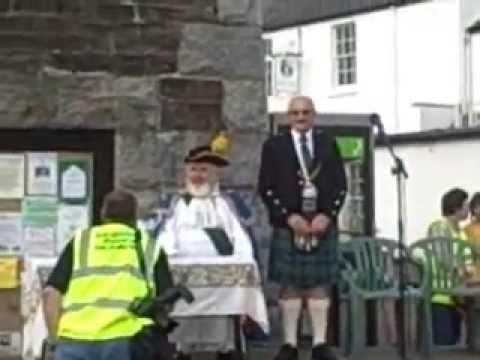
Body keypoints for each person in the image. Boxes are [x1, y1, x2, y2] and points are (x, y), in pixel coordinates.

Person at [258, 96, 347, 360]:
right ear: (288, 116)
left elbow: (340, 185)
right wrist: (289, 218)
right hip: (289, 224)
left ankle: (320, 345)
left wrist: (327, 216)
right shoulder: (275, 146)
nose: (300, 117)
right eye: (295, 112)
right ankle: (290, 345)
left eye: (305, 112)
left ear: (314, 114)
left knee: (320, 283)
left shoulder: (327, 144)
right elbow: (266, 187)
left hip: (321, 223)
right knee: (290, 284)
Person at [42, 190, 173, 360]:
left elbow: (50, 293)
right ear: (135, 217)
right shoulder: (149, 246)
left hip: (75, 339)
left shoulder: (81, 241)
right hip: (126, 339)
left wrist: (55, 339)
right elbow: (166, 299)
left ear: (103, 214)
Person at [157, 140, 258, 360]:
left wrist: (243, 261)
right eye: (193, 169)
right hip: (183, 273)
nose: (198, 175)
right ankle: (183, 350)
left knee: (225, 310)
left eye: (204, 170)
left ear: (215, 175)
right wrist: (170, 257)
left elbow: (240, 236)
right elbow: (165, 234)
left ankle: (225, 348)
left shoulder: (228, 203)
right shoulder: (175, 203)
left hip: (222, 277)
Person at [426, 187, 469, 345]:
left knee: (455, 341)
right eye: (465, 205)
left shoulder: (461, 232)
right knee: (444, 343)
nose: (468, 210)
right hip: (441, 291)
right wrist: (461, 271)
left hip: (460, 290)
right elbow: (443, 257)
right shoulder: (440, 227)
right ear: (456, 207)